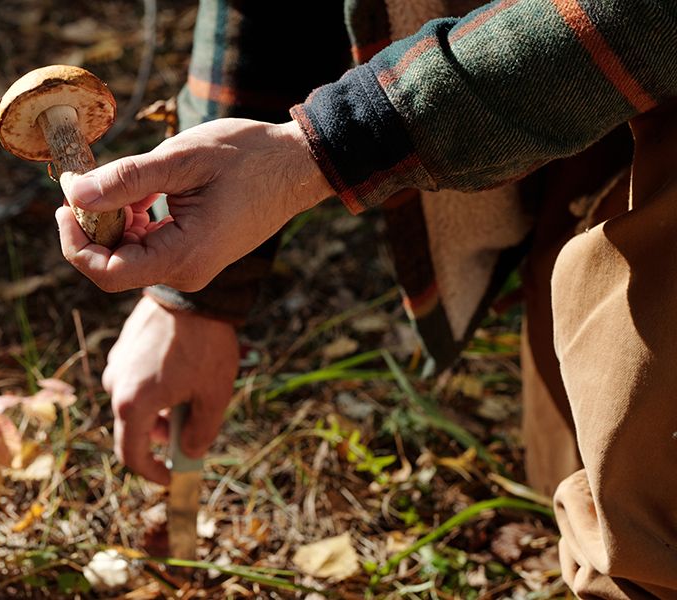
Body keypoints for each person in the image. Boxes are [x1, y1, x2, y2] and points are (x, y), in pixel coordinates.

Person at [55, 0, 677, 597]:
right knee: (586, 471)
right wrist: (197, 299)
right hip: (568, 114)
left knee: (651, 513)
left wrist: (325, 147)